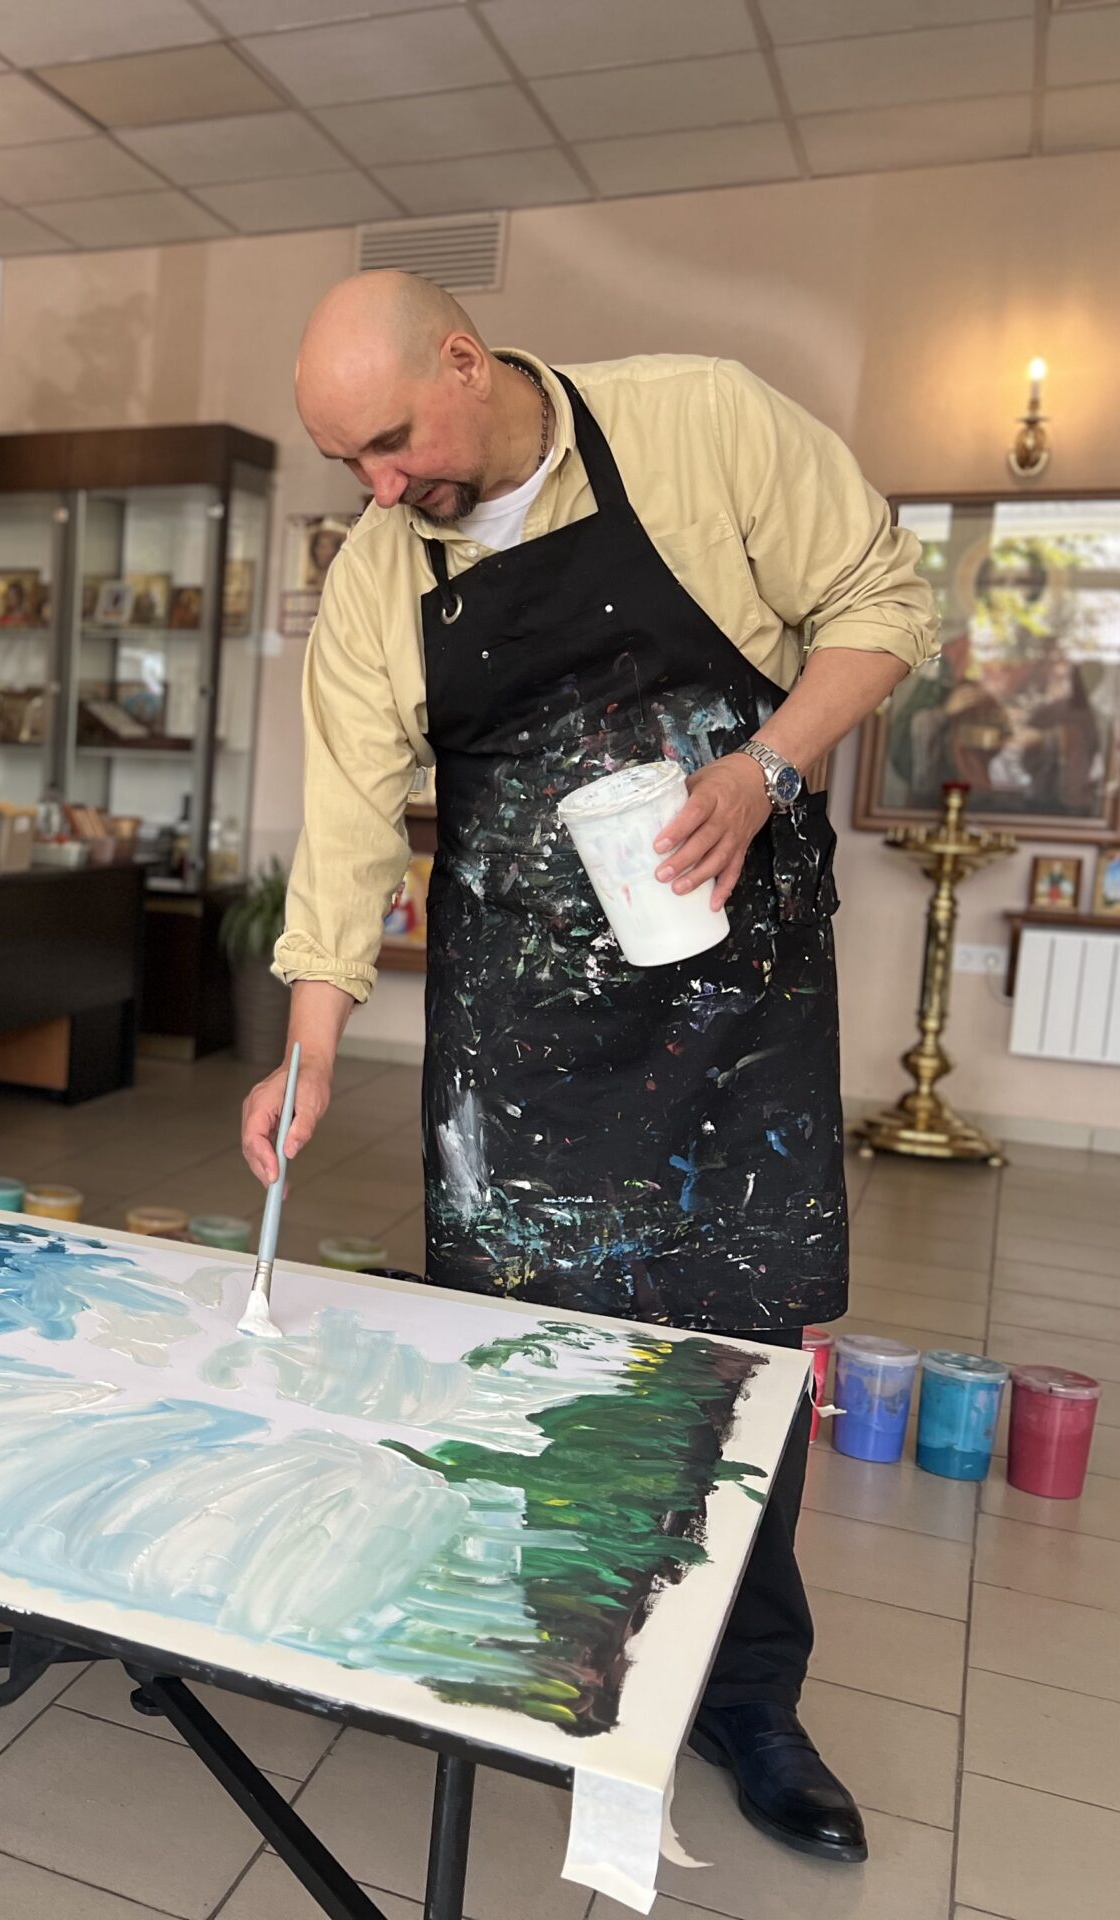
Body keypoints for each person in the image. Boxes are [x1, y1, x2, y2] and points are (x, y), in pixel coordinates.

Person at [243, 272, 934, 1865]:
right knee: (522, 1348)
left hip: (733, 1012)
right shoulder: (380, 575)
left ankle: (749, 1699)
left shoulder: (701, 424)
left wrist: (764, 771)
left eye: (394, 444)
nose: (380, 490)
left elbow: (883, 604)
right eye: (347, 463)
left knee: (737, 1357)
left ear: (466, 362)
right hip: (521, 1036)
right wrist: (312, 1048)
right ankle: (550, 1648)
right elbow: (347, 828)